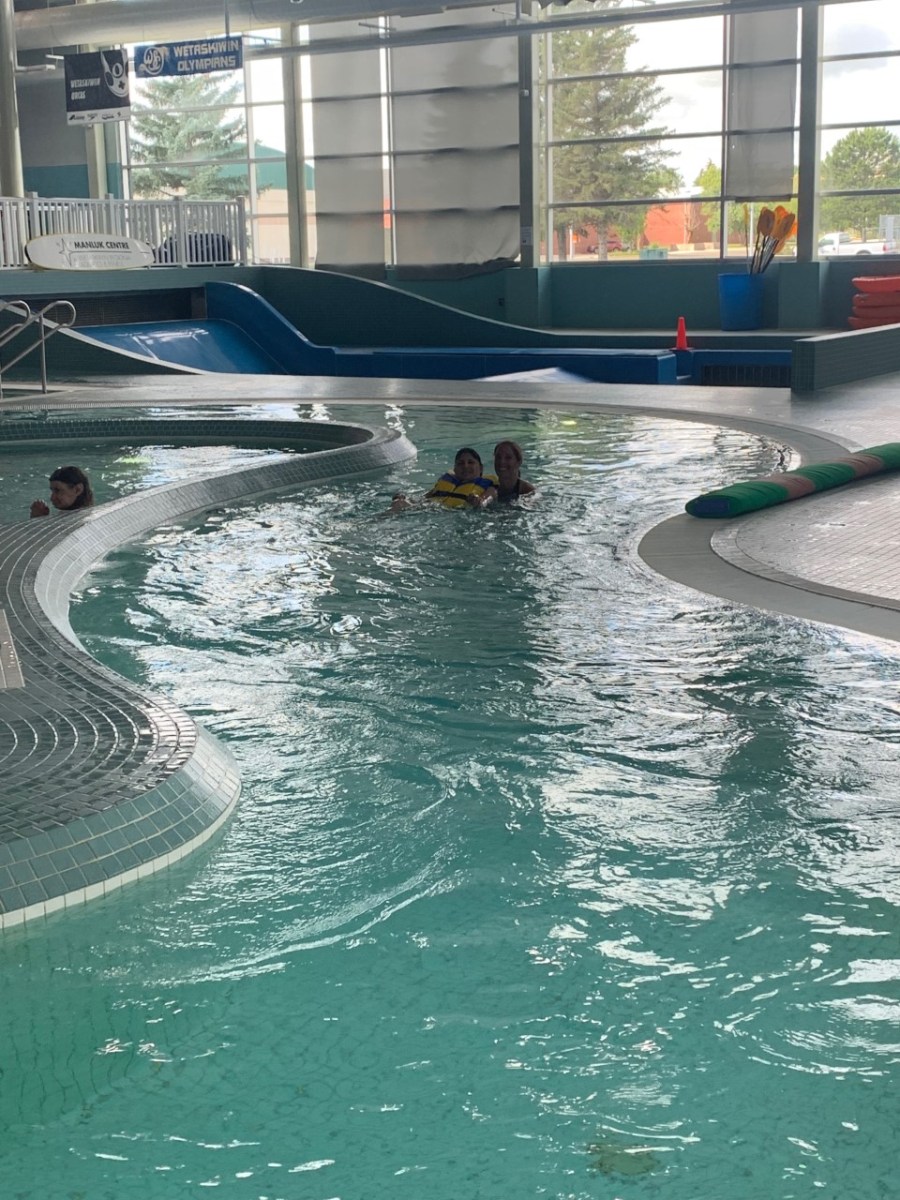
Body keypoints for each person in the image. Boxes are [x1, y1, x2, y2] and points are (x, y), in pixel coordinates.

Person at [390, 447, 493, 512]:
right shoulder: (448, 480)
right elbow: (425, 497)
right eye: (460, 463)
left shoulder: (489, 486)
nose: (465, 466)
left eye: (471, 462)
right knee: (399, 502)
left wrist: (478, 502)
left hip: (450, 513)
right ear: (455, 469)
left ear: (481, 468)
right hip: (431, 509)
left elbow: (487, 500)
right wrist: (408, 498)